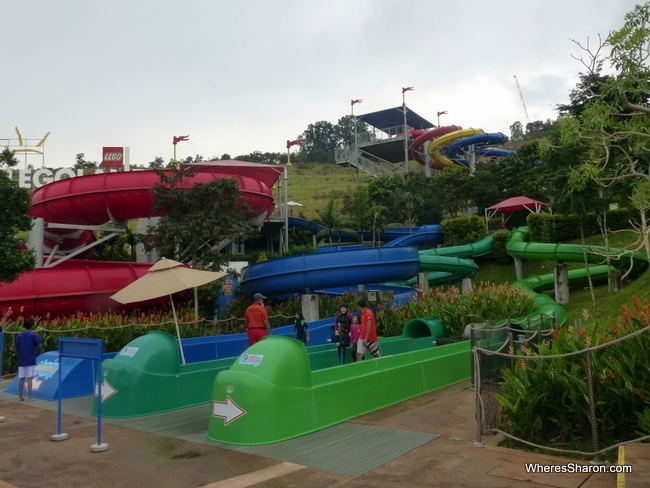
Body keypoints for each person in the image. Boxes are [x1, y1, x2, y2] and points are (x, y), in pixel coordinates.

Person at [14, 317, 42, 402]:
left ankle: (20, 397)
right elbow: (39, 345)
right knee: (30, 378)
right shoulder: (33, 334)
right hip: (30, 359)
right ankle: (29, 397)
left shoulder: (19, 335)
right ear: (32, 326)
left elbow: (15, 347)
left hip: (21, 360)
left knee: (21, 378)